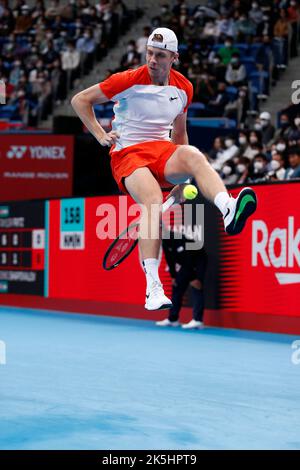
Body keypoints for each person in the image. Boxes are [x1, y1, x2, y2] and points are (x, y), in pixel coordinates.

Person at [71, 27, 257, 311]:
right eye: (149, 53)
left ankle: (228, 208)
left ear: (174, 57)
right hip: (127, 153)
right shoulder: (127, 80)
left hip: (161, 151)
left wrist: (181, 179)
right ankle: (153, 286)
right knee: (153, 202)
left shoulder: (184, 88)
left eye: (160, 55)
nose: (152, 60)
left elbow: (179, 135)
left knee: (194, 155)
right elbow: (80, 100)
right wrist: (99, 134)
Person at [156, 229, 207, 329]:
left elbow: (188, 258)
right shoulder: (165, 242)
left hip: (198, 261)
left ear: (162, 231)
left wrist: (194, 278)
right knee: (177, 287)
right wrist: (173, 276)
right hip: (186, 264)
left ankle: (198, 320)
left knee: (197, 286)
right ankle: (173, 319)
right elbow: (169, 259)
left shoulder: (178, 238)